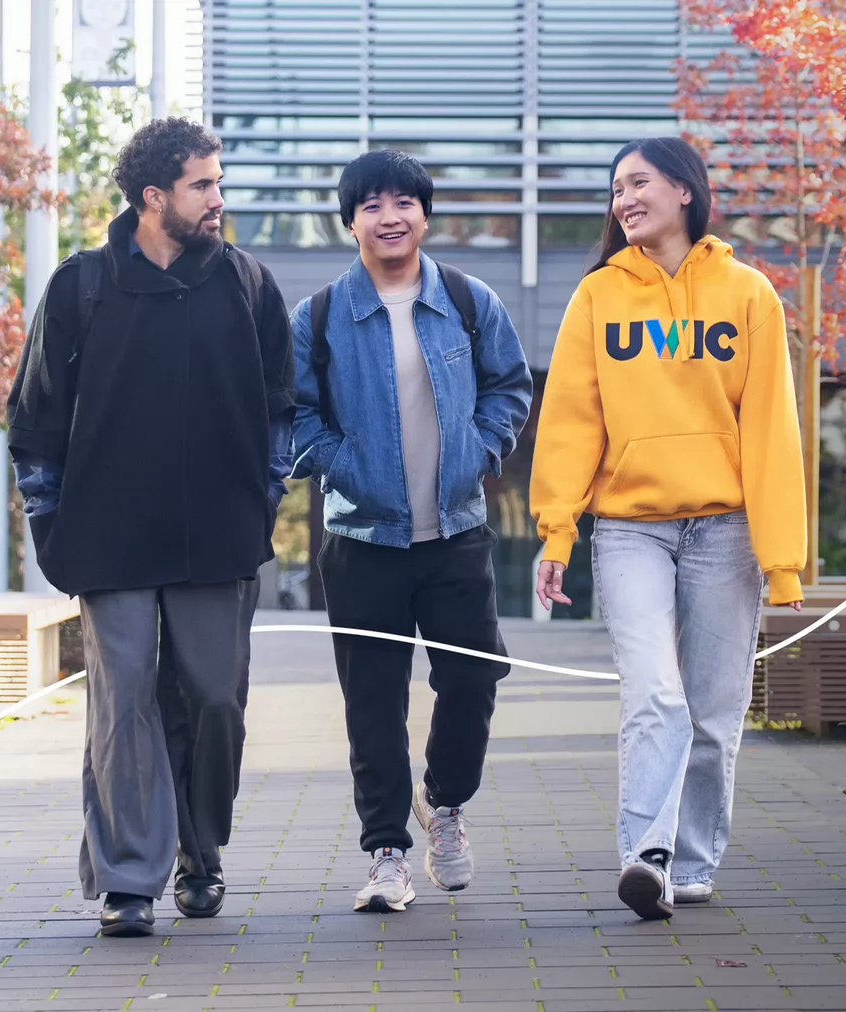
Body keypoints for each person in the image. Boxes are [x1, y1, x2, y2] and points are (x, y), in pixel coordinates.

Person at [5, 118, 295, 938]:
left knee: (213, 700)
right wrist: (51, 518)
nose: (218, 199)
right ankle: (129, 878)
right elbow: (33, 420)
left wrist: (265, 493)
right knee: (123, 699)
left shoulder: (247, 283)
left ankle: (200, 855)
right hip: (109, 535)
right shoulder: (81, 287)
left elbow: (283, 406)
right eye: (203, 184)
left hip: (220, 533)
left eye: (218, 182)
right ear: (153, 196)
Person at [528, 137, 806, 921]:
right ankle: (644, 854)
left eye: (638, 182)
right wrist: (559, 531)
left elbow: (772, 433)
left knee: (715, 714)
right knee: (655, 694)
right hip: (630, 531)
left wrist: (783, 562)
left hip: (726, 530)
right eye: (615, 188)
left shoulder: (749, 292)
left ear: (685, 190)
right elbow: (571, 423)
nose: (623, 199)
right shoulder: (597, 297)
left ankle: (690, 863)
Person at [290, 150, 532, 913]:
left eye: (403, 202)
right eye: (371, 205)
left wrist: (481, 452)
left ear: (424, 215)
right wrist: (344, 465)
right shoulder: (321, 316)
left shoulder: (468, 299)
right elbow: (293, 415)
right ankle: (387, 853)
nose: (389, 215)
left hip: (456, 531)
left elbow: (509, 387)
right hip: (362, 541)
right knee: (373, 701)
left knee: (473, 677)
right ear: (351, 220)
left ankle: (446, 804)